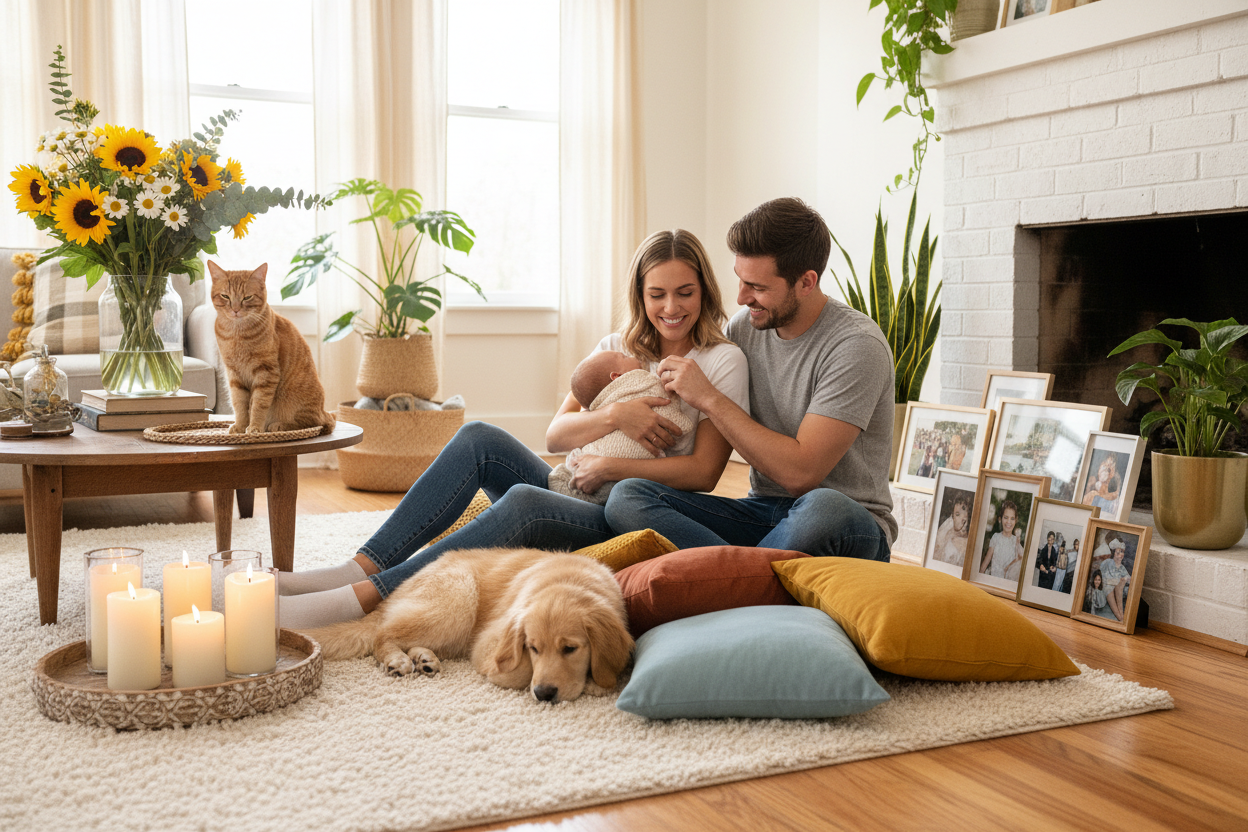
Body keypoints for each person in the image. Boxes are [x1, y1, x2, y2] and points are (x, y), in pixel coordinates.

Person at [277, 229, 750, 628]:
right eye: (657, 294)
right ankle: (357, 566)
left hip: (619, 512)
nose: (671, 307)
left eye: (685, 292)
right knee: (478, 436)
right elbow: (556, 436)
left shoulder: (720, 360)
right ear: (639, 295)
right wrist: (613, 417)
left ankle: (364, 597)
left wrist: (610, 464)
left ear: (704, 291)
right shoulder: (615, 347)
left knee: (524, 500)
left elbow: (704, 473)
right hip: (575, 486)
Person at [604, 197, 897, 560]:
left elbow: (800, 474)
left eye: (756, 286)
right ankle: (743, 574)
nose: (742, 298)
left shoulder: (856, 346)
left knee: (824, 506)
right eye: (740, 281)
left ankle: (733, 572)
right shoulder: (746, 327)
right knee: (628, 496)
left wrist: (709, 397)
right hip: (763, 513)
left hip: (848, 522)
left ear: (806, 282)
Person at [547, 350, 694, 505]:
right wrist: (615, 414)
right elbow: (553, 440)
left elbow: (703, 475)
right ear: (616, 377)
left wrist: (606, 467)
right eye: (625, 356)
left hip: (628, 498)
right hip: (582, 477)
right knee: (522, 493)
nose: (632, 355)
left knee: (526, 496)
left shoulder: (714, 361)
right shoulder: (609, 349)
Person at [979, 499, 1024, 582]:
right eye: (1006, 517)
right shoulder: (996, 537)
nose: (1008, 522)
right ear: (1000, 519)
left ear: (1016, 520)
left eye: (1012, 518)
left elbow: (1020, 560)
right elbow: (986, 561)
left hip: (1007, 583)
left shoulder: (1016, 541)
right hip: (993, 580)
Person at [932, 492, 971, 567]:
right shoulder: (947, 531)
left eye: (966, 514)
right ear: (952, 517)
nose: (963, 519)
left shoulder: (967, 543)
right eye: (957, 514)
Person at [1100, 538, 1132, 622]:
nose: (1120, 555)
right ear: (1114, 553)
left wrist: (1125, 579)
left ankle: (1121, 613)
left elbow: (1130, 579)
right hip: (1107, 584)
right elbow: (1102, 576)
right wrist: (1114, 581)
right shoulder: (1108, 562)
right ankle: (1119, 616)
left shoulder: (1122, 567)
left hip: (1118, 586)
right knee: (1110, 588)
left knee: (1120, 584)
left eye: (1122, 552)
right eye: (1118, 552)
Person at [1083, 454, 1122, 518]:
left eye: (1110, 467)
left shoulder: (1115, 499)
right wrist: (1088, 487)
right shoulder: (1092, 492)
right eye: (1104, 466)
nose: (1106, 470)